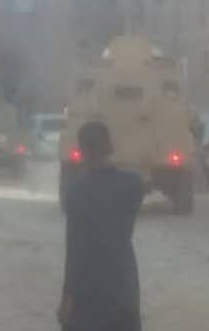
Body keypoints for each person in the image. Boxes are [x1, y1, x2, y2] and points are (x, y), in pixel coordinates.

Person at [59, 122, 144, 331]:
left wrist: (67, 295)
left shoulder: (77, 191)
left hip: (87, 289)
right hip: (123, 284)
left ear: (82, 150)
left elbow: (75, 248)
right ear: (110, 147)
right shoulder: (133, 184)